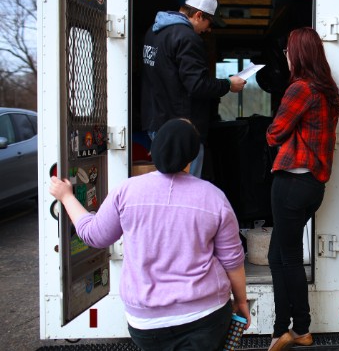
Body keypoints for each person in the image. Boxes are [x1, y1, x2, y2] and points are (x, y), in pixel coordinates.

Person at [49, 118, 251, 351]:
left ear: (153, 150)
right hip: (205, 315)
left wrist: (66, 197)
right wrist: (242, 301)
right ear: (193, 155)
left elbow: (93, 236)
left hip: (146, 323)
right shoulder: (214, 197)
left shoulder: (126, 191)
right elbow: (232, 261)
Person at [265, 27, 339, 351]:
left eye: (288, 50)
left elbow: (274, 133)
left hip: (292, 183)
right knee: (278, 256)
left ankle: (296, 329)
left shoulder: (300, 88)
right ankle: (287, 329)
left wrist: (272, 132)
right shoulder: (326, 91)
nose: (286, 55)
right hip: (312, 185)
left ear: (298, 54)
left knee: (287, 258)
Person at [140, 0, 247, 177]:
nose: (209, 30)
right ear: (198, 15)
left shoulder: (153, 32)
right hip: (182, 129)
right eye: (209, 23)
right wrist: (228, 84)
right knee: (185, 186)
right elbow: (197, 84)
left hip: (156, 123)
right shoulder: (187, 37)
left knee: (166, 184)